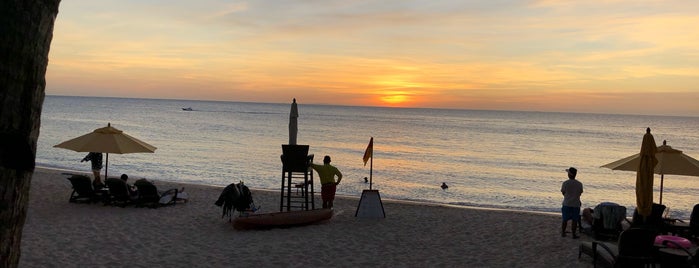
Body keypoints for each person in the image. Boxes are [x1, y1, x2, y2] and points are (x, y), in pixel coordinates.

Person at [561, 167, 583, 239]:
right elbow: (580, 193)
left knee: (565, 219)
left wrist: (568, 196)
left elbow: (563, 192)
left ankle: (563, 232)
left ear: (569, 175)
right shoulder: (579, 184)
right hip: (576, 204)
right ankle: (573, 234)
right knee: (574, 220)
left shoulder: (565, 183)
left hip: (567, 203)